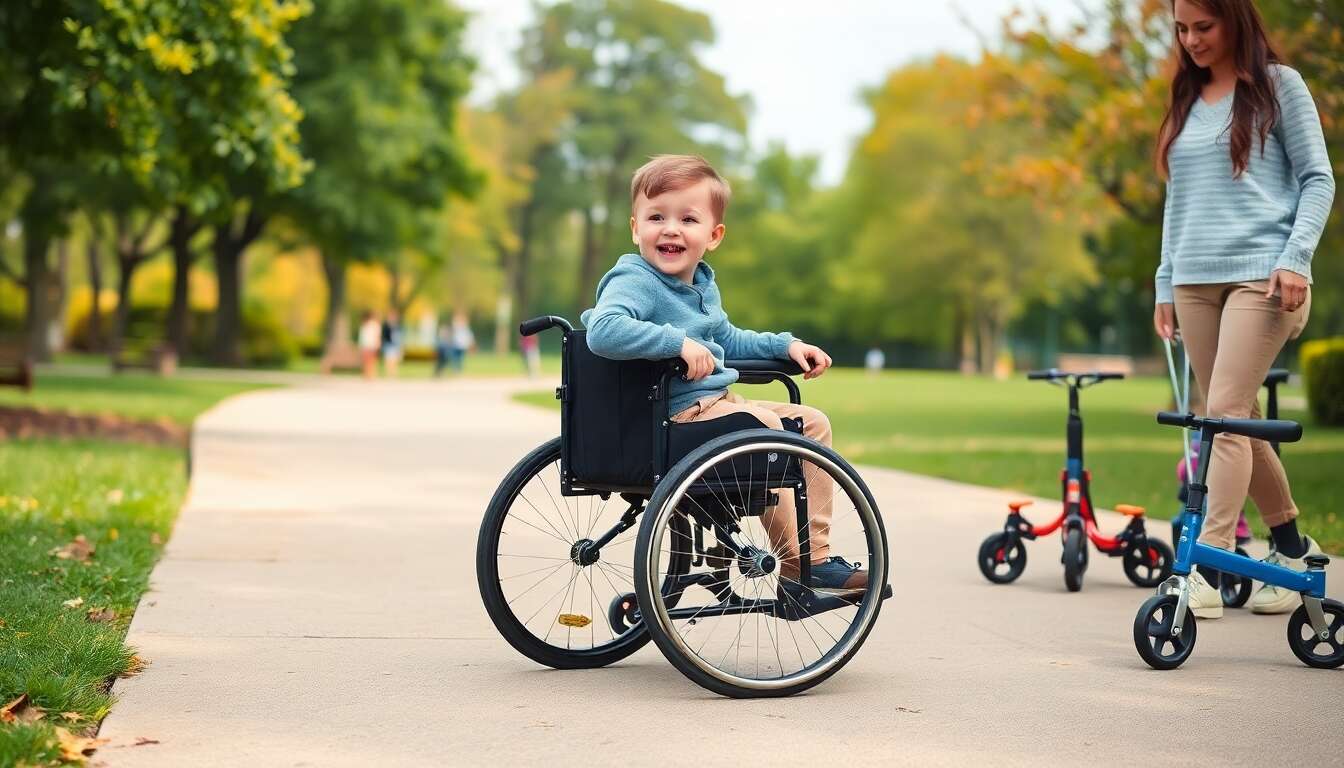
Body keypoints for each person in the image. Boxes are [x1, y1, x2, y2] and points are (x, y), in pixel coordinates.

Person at [580, 154, 865, 596]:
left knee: (811, 424)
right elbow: (603, 329)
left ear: (713, 235)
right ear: (635, 228)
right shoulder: (635, 279)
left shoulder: (700, 285)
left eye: (687, 219)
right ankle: (802, 565)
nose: (671, 229)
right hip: (674, 416)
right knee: (768, 430)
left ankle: (816, 555)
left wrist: (784, 346)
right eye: (656, 217)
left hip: (715, 409)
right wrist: (676, 342)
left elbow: (726, 339)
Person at [1152, 0, 1334, 618]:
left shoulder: (1280, 86)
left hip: (1265, 279)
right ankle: (1293, 548)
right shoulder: (1187, 97)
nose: (1190, 39)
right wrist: (1165, 283)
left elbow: (1318, 178)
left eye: (1203, 26)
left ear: (1234, 19)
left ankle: (1206, 565)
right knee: (1237, 417)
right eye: (1181, 28)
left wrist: (1297, 257)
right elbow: (1178, 201)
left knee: (1223, 418)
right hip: (1194, 282)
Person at [357, 311, 381, 380]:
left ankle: (371, 375)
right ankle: (367, 375)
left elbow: (377, 335)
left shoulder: (374, 325)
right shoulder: (364, 325)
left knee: (371, 361)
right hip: (366, 345)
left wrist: (377, 344)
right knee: (366, 361)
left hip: (371, 345)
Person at [381, 309, 403, 378]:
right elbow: (383, 335)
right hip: (388, 344)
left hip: (395, 344)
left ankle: (394, 374)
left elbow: (399, 336)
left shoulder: (398, 325)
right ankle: (389, 373)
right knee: (388, 359)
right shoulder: (386, 325)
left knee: (395, 360)